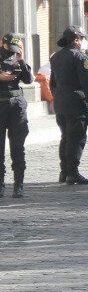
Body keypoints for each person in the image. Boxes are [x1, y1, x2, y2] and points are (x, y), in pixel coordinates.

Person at [50, 25, 88, 185]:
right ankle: (73, 172)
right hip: (77, 102)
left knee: (65, 137)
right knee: (76, 138)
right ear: (76, 40)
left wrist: (58, 97)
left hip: (61, 102)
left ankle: (64, 171)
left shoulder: (55, 57)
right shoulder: (80, 57)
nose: (85, 41)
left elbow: (52, 83)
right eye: (83, 38)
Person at [0, 33, 32, 198]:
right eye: (9, 47)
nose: (11, 51)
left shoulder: (18, 58)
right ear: (2, 43)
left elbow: (28, 80)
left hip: (17, 106)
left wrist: (22, 60)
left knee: (17, 147)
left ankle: (18, 184)